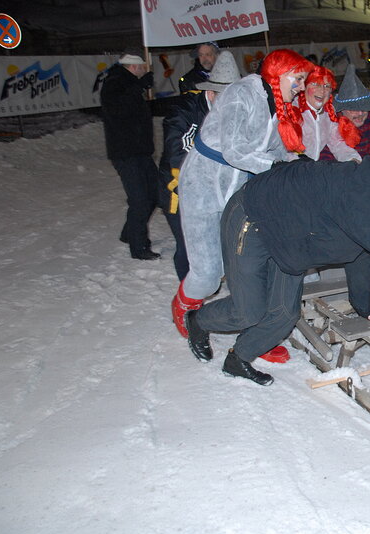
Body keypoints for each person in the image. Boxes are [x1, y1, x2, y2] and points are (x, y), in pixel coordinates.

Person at [184, 134, 370, 386]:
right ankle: (197, 320)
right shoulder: (362, 197)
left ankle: (239, 358)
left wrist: (363, 306)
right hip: (254, 216)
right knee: (248, 311)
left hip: (292, 237)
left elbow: (365, 249)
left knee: (284, 315)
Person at [172, 49, 312, 360]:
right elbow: (235, 149)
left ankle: (255, 332)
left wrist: (298, 164)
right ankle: (185, 307)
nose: (302, 87)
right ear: (279, 74)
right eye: (298, 79)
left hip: (239, 189)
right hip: (204, 185)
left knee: (246, 263)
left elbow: (275, 151)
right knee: (208, 273)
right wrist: (276, 167)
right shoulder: (241, 94)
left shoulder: (276, 106)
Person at [158, 51, 241, 281]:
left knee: (218, 240)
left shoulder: (234, 110)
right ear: (210, 92)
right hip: (180, 188)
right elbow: (178, 151)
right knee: (189, 245)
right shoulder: (184, 110)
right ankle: (188, 299)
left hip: (218, 190)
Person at [100, 52, 159, 261]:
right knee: (140, 199)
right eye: (142, 66)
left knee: (155, 192)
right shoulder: (114, 82)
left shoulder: (127, 82)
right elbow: (118, 108)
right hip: (126, 153)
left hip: (140, 151)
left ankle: (129, 232)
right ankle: (139, 246)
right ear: (134, 67)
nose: (144, 69)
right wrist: (139, 86)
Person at [322, 64, 370, 160]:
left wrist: (367, 164)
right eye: (354, 109)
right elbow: (325, 151)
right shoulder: (331, 120)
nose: (360, 113)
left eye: (364, 108)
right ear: (342, 109)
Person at [297, 65, 361, 163]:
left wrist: (353, 159)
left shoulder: (328, 113)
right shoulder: (292, 110)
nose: (322, 91)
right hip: (289, 168)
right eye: (315, 84)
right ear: (304, 86)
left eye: (327, 86)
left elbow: (337, 144)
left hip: (311, 167)